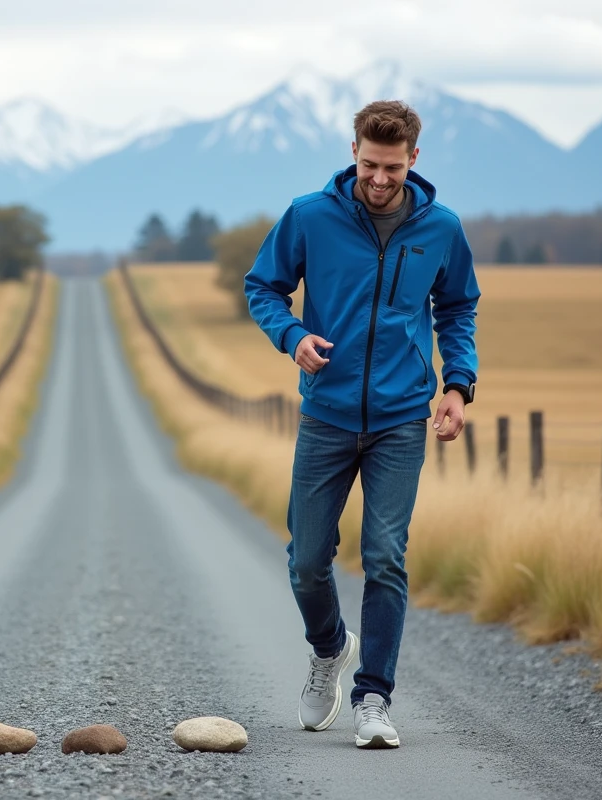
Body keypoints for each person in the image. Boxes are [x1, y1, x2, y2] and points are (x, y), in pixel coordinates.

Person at [243, 99, 480, 749]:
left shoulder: (442, 228)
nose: (380, 180)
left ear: (414, 159)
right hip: (327, 414)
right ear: (354, 153)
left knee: (385, 557)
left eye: (393, 168)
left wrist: (457, 385)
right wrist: (291, 336)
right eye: (371, 165)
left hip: (403, 419)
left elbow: (458, 307)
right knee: (307, 562)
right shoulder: (310, 216)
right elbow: (262, 286)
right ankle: (329, 647)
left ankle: (373, 697)